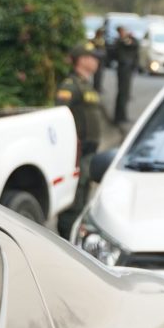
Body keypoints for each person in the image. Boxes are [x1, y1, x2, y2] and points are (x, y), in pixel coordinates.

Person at [56, 47, 105, 237]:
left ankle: (75, 236)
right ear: (82, 60)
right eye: (93, 58)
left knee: (84, 194)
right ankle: (67, 239)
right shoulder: (70, 86)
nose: (96, 62)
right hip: (77, 151)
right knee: (75, 199)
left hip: (89, 151)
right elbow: (61, 115)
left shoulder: (86, 85)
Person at [110, 25, 140, 124]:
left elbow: (135, 45)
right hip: (123, 68)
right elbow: (116, 51)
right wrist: (125, 39)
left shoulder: (130, 40)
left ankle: (122, 115)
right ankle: (119, 117)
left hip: (128, 69)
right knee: (123, 93)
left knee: (125, 93)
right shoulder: (119, 42)